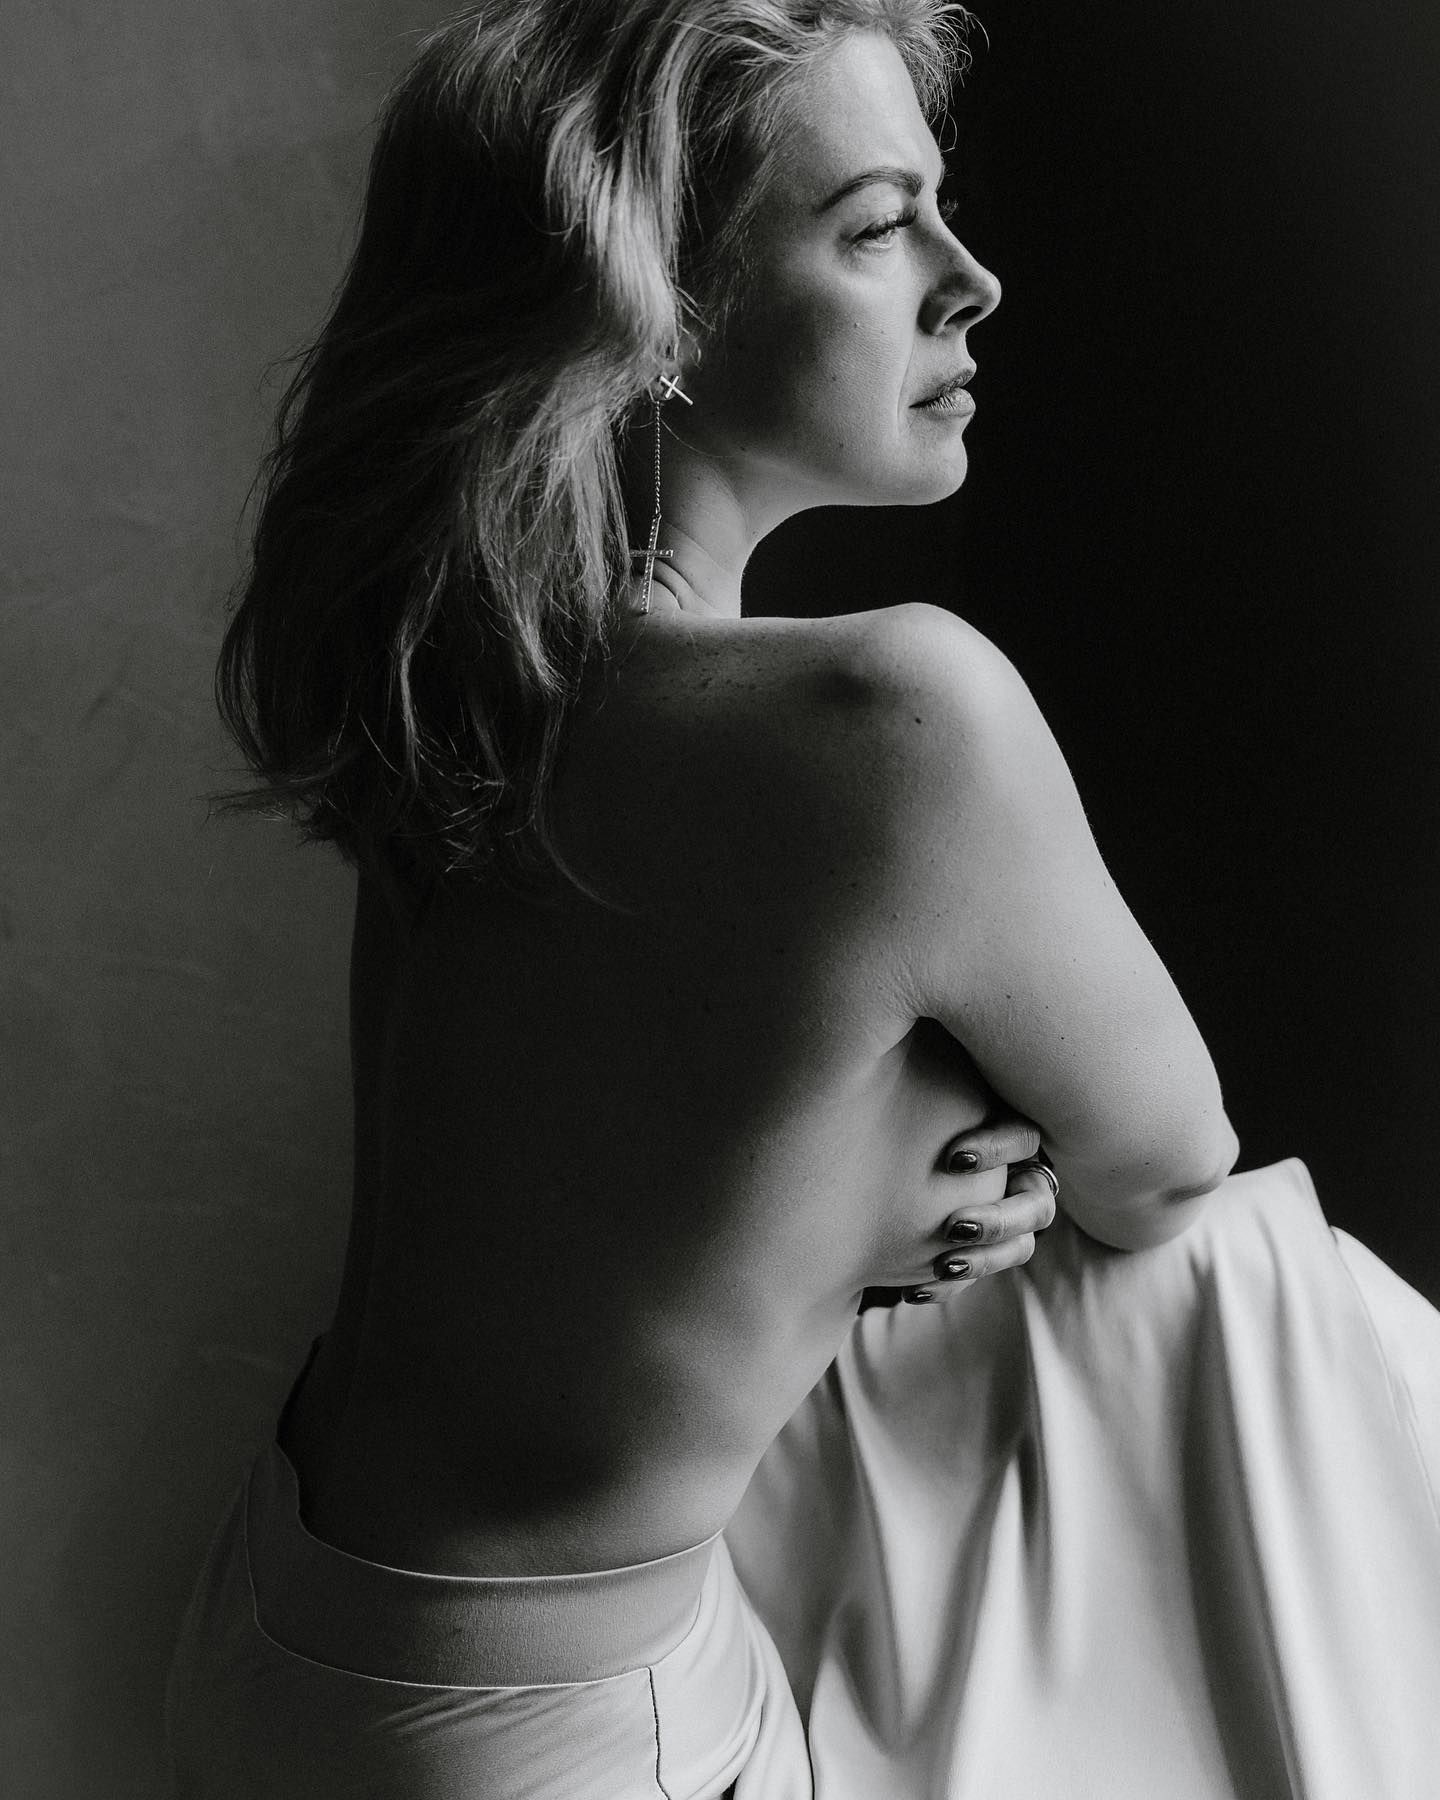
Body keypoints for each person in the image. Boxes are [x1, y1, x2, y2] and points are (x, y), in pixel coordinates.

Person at [163, 3, 1440, 1797]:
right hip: (559, 1728)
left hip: (286, 1625)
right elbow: (1166, 1167)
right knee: (1257, 1282)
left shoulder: (482, 686)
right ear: (653, 318)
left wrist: (841, 1211)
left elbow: (582, 1201)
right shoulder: (895, 717)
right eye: (877, 226)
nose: (970, 281)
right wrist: (941, 1186)